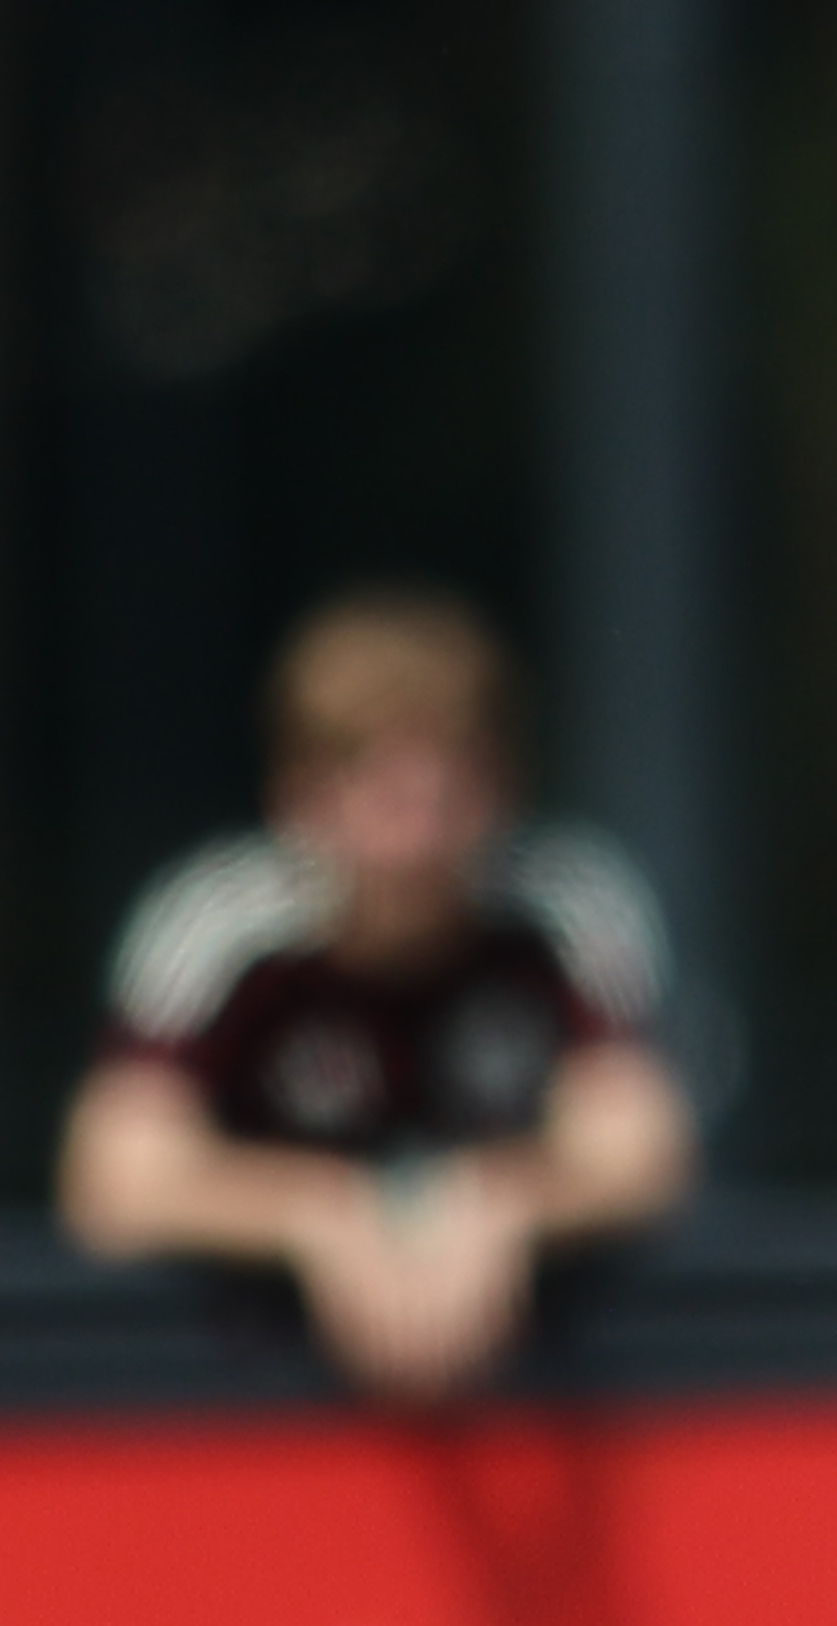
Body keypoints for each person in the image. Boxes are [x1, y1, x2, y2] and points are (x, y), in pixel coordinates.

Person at [58, 587, 696, 1404]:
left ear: (504, 783)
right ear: (298, 795)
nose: (418, 826)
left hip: (536, 1399)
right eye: (378, 782)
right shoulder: (218, 921)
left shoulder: (567, 906)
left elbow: (642, 1154)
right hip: (244, 1403)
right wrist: (323, 1216)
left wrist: (495, 1206)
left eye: (450, 778)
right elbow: (114, 1178)